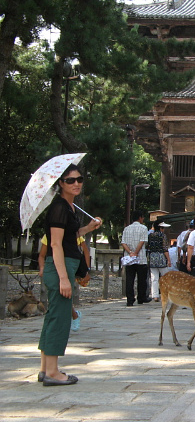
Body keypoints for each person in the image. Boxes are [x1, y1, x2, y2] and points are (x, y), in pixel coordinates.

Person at [38, 164, 102, 386]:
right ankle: (53, 373)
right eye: (70, 180)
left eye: (79, 179)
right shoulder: (59, 207)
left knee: (53, 316)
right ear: (60, 184)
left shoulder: (69, 207)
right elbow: (56, 244)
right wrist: (64, 278)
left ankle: (45, 367)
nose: (76, 183)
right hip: (60, 267)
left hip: (65, 265)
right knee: (59, 319)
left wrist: (89, 228)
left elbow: (70, 236)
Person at [38, 235, 90, 331]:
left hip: (69, 267)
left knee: (64, 294)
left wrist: (86, 270)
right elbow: (41, 255)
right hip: (53, 268)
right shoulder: (49, 235)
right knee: (57, 294)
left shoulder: (72, 233)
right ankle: (70, 316)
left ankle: (71, 317)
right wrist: (42, 268)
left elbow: (85, 251)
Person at [121, 210, 151, 306]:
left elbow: (123, 242)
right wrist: (136, 252)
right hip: (140, 257)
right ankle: (141, 298)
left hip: (129, 258)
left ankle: (130, 299)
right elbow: (142, 241)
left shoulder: (126, 229)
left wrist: (130, 252)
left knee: (130, 279)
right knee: (142, 280)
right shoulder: (143, 228)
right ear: (140, 217)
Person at [147, 220, 172, 302]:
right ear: (160, 228)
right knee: (165, 277)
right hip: (161, 257)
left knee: (154, 278)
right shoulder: (163, 236)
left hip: (152, 257)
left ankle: (155, 296)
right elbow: (165, 249)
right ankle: (167, 294)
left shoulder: (150, 235)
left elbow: (148, 247)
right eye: (162, 227)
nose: (163, 229)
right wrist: (168, 260)